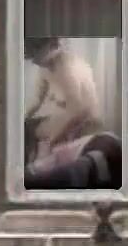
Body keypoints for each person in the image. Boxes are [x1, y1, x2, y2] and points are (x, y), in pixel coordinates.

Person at [23, 37, 122, 190]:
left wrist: (54, 137)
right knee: (31, 129)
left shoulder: (66, 66)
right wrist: (24, 119)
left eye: (34, 54)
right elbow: (37, 100)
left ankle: (43, 173)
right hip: (65, 123)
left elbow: (79, 109)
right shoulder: (45, 69)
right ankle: (36, 170)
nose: (33, 61)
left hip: (84, 124)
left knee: (45, 149)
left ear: (50, 46)